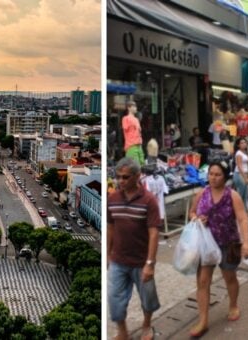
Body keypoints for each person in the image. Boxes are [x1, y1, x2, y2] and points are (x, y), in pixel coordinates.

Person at [187, 161, 248, 338]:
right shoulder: (202, 193)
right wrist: (197, 218)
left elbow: (243, 219)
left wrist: (246, 242)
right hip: (206, 245)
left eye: (217, 175)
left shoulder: (233, 196)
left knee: (229, 277)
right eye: (211, 174)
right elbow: (191, 212)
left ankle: (233, 305)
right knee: (203, 281)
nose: (213, 178)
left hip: (229, 244)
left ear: (225, 177)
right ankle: (203, 320)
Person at [107, 157, 161, 340]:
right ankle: (122, 332)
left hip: (141, 260)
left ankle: (146, 325)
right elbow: (110, 227)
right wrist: (107, 254)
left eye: (126, 177)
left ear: (137, 176)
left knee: (148, 298)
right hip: (118, 260)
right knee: (115, 299)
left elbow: (154, 233)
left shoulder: (149, 200)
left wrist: (150, 263)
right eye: (119, 177)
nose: (121, 181)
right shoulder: (113, 198)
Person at [122, 101, 144, 165]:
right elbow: (125, 128)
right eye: (134, 106)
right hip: (131, 145)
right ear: (129, 108)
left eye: (135, 106)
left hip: (139, 145)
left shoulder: (137, 120)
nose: (135, 108)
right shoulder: (125, 118)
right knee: (134, 167)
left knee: (142, 165)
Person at [233, 137, 248, 214]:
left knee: (246, 194)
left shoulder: (245, 152)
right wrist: (245, 178)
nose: (244, 144)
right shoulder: (238, 153)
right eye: (242, 143)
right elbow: (239, 166)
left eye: (245, 142)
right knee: (240, 194)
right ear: (238, 145)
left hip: (245, 174)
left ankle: (246, 210)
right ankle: (238, 211)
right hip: (240, 174)